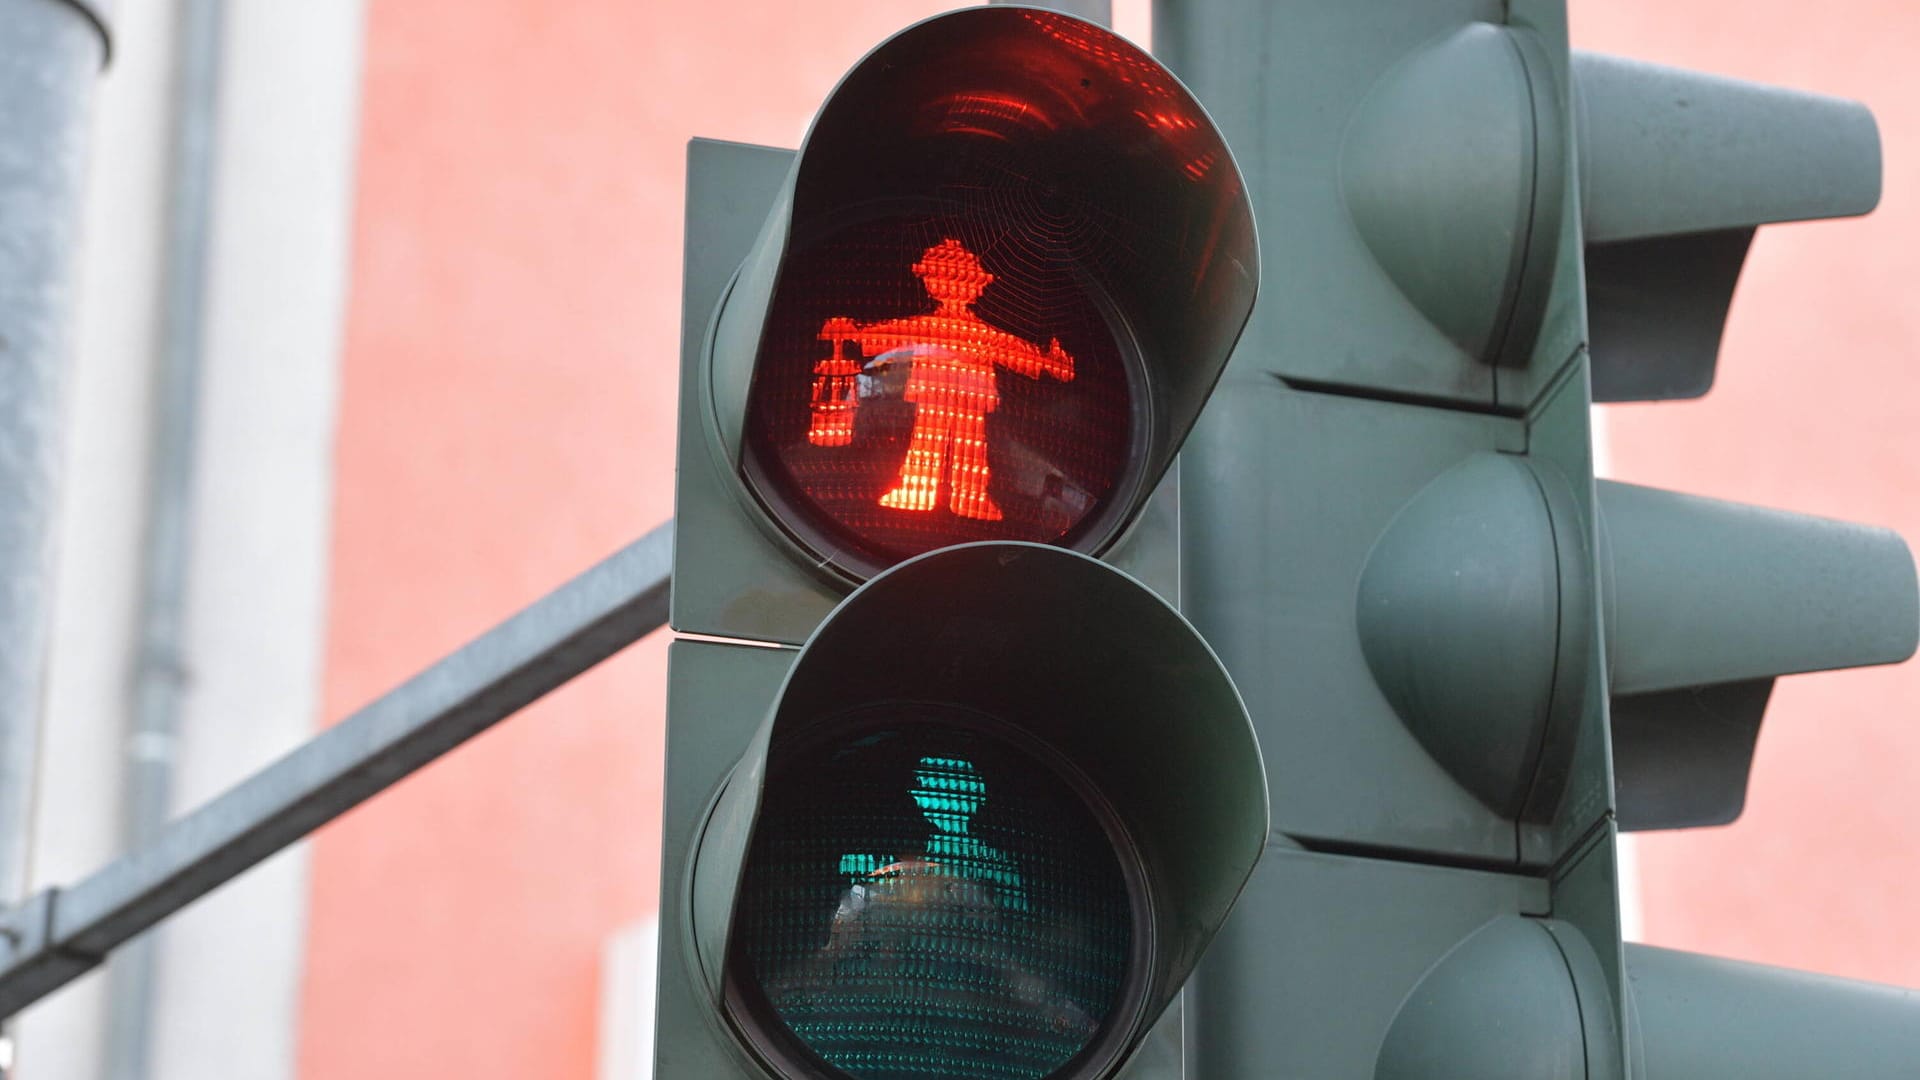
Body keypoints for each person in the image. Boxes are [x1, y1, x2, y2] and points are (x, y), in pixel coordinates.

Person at [814, 238, 1074, 521]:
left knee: (969, 448)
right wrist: (858, 333)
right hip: (933, 395)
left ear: (978, 286)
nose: (949, 286)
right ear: (929, 282)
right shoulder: (934, 326)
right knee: (926, 443)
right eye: (938, 278)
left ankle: (970, 497)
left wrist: (1048, 362)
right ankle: (916, 490)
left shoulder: (977, 332)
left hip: (969, 398)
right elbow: (897, 332)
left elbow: (1010, 349)